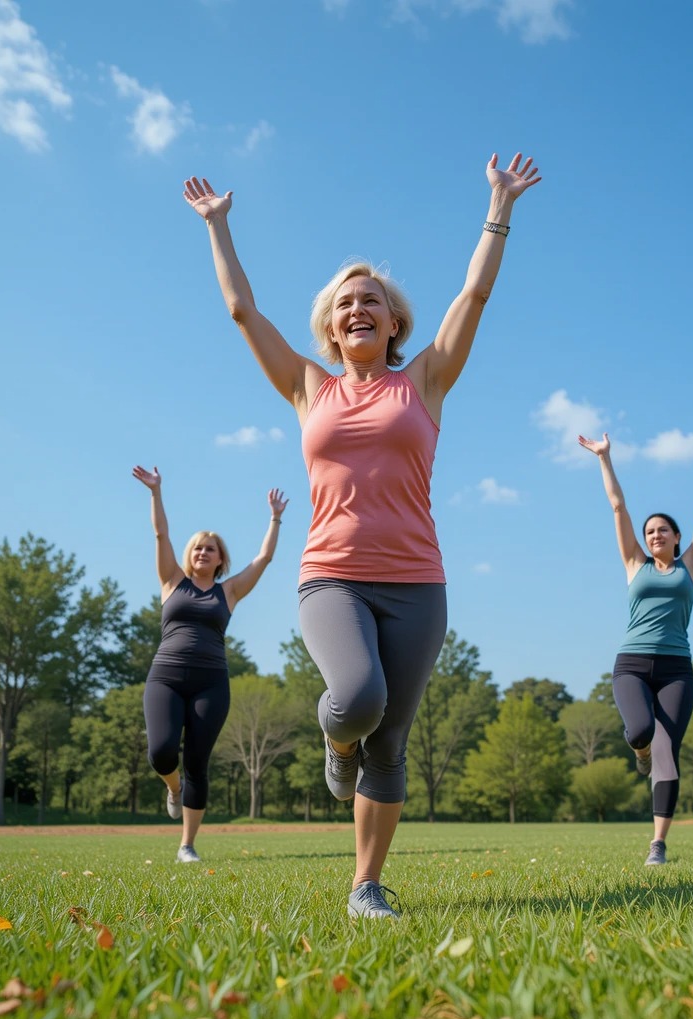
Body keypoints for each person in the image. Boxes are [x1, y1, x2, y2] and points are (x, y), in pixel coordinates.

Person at [182, 152, 541, 917]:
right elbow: (244, 313)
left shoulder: (427, 382)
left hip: (419, 585)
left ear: (394, 321)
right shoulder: (307, 385)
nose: (358, 311)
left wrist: (498, 207)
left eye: (372, 301)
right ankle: (333, 743)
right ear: (330, 327)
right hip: (332, 577)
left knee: (392, 741)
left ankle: (365, 885)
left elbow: (474, 294)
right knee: (355, 699)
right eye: (346, 304)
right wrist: (220, 228)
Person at [577, 432, 693, 865]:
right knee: (641, 733)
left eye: (663, 530)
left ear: (676, 537)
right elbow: (618, 506)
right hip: (632, 664)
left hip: (677, 669)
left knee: (667, 751)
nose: (655, 535)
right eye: (649, 531)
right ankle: (640, 752)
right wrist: (605, 458)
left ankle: (658, 843)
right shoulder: (634, 564)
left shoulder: (690, 566)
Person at [132, 464, 288, 863]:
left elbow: (265, 558)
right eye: (198, 547)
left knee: (198, 761)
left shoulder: (230, 591)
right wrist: (155, 492)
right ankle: (172, 788)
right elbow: (160, 533)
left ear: (220, 559)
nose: (203, 551)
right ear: (190, 555)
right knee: (162, 752)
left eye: (211, 548)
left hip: (211, 683)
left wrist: (274, 518)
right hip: (165, 677)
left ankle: (187, 845)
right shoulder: (171, 581)